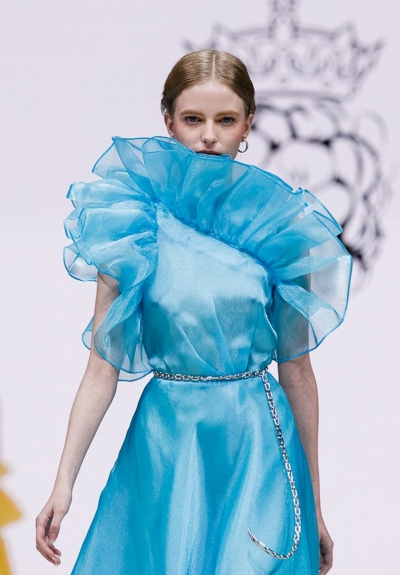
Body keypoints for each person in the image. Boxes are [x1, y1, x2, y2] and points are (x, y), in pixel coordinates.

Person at [35, 50, 352, 575]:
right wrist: (63, 483)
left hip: (257, 443)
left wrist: (315, 504)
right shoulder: (131, 225)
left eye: (225, 120)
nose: (208, 136)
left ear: (248, 124)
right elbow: (100, 371)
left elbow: (297, 372)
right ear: (168, 122)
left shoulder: (280, 230)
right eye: (192, 119)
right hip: (169, 440)